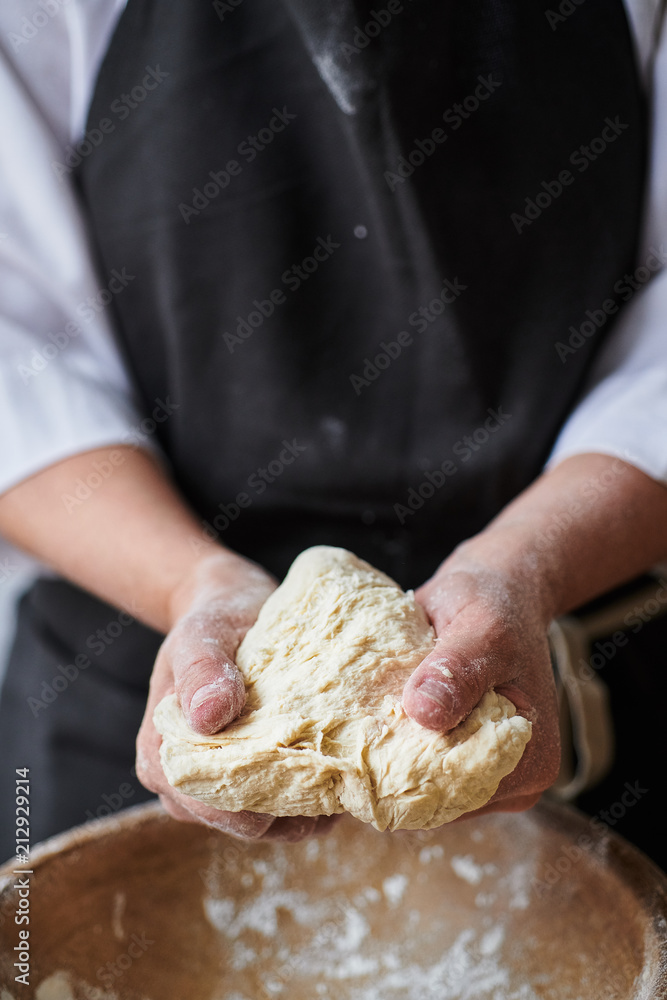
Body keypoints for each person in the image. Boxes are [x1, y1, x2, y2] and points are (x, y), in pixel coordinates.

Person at [0, 0, 666, 864]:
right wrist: (187, 586)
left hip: (577, 662)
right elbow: (16, 352)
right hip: (142, 658)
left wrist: (527, 566)